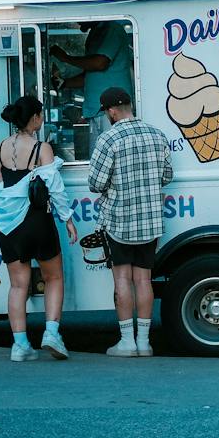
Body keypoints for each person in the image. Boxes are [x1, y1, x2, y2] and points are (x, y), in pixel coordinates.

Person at [0, 96, 79, 362]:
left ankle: (20, 345)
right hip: (37, 221)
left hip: (9, 227)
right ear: (36, 118)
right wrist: (68, 220)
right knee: (53, 278)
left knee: (18, 286)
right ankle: (51, 333)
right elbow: (56, 188)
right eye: (40, 115)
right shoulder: (43, 148)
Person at [88, 87, 174, 356]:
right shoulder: (157, 135)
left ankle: (126, 342)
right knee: (143, 280)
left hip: (119, 221)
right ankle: (145, 342)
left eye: (106, 112)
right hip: (150, 222)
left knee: (122, 280)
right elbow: (167, 176)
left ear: (111, 111)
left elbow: (96, 182)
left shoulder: (108, 139)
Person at [51, 21, 135, 118]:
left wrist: (66, 58)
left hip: (113, 110)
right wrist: (64, 83)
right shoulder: (95, 33)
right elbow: (89, 76)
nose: (78, 22)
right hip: (96, 110)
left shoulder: (112, 29)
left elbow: (100, 63)